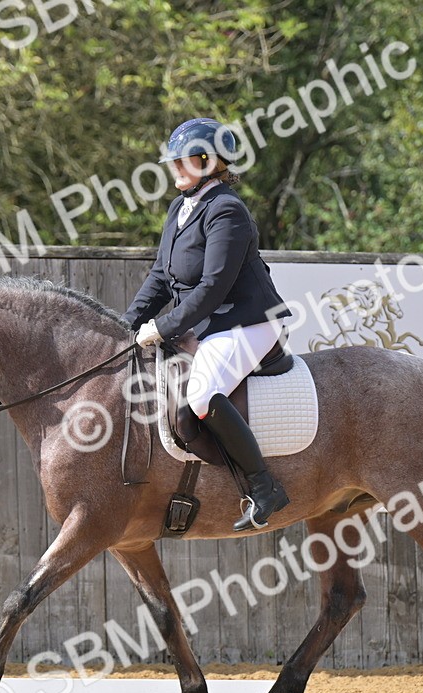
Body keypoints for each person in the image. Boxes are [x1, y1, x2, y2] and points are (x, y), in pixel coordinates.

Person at [124, 117, 292, 531]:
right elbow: (161, 277)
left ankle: (265, 486)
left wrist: (163, 328)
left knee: (200, 397)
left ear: (211, 162)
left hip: (246, 323)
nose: (176, 169)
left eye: (184, 161)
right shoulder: (180, 209)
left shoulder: (227, 211)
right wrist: (125, 323)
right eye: (174, 162)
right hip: (205, 327)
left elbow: (214, 286)